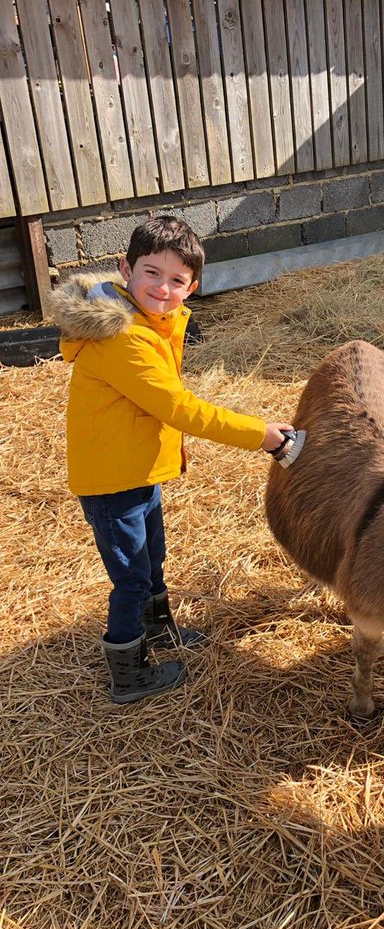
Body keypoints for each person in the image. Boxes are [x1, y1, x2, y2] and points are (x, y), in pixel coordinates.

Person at [50, 217, 295, 704]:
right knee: (131, 578)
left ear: (193, 286)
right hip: (113, 480)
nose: (163, 288)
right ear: (125, 269)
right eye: (152, 273)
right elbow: (179, 408)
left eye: (177, 280)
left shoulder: (150, 320)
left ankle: (159, 631)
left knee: (152, 560)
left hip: (139, 470)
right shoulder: (124, 338)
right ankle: (129, 672)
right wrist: (262, 436)